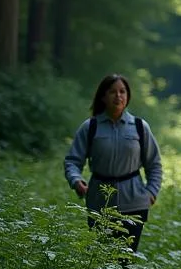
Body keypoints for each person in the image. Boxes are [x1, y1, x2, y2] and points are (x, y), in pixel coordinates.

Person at [64, 73, 162, 252]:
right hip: (99, 202)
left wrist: (151, 192)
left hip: (134, 203)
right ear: (103, 96)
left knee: (125, 260)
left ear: (128, 96)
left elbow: (154, 164)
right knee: (100, 259)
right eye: (112, 92)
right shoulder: (90, 127)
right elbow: (72, 161)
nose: (118, 96)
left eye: (122, 91)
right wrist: (76, 180)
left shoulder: (140, 127)